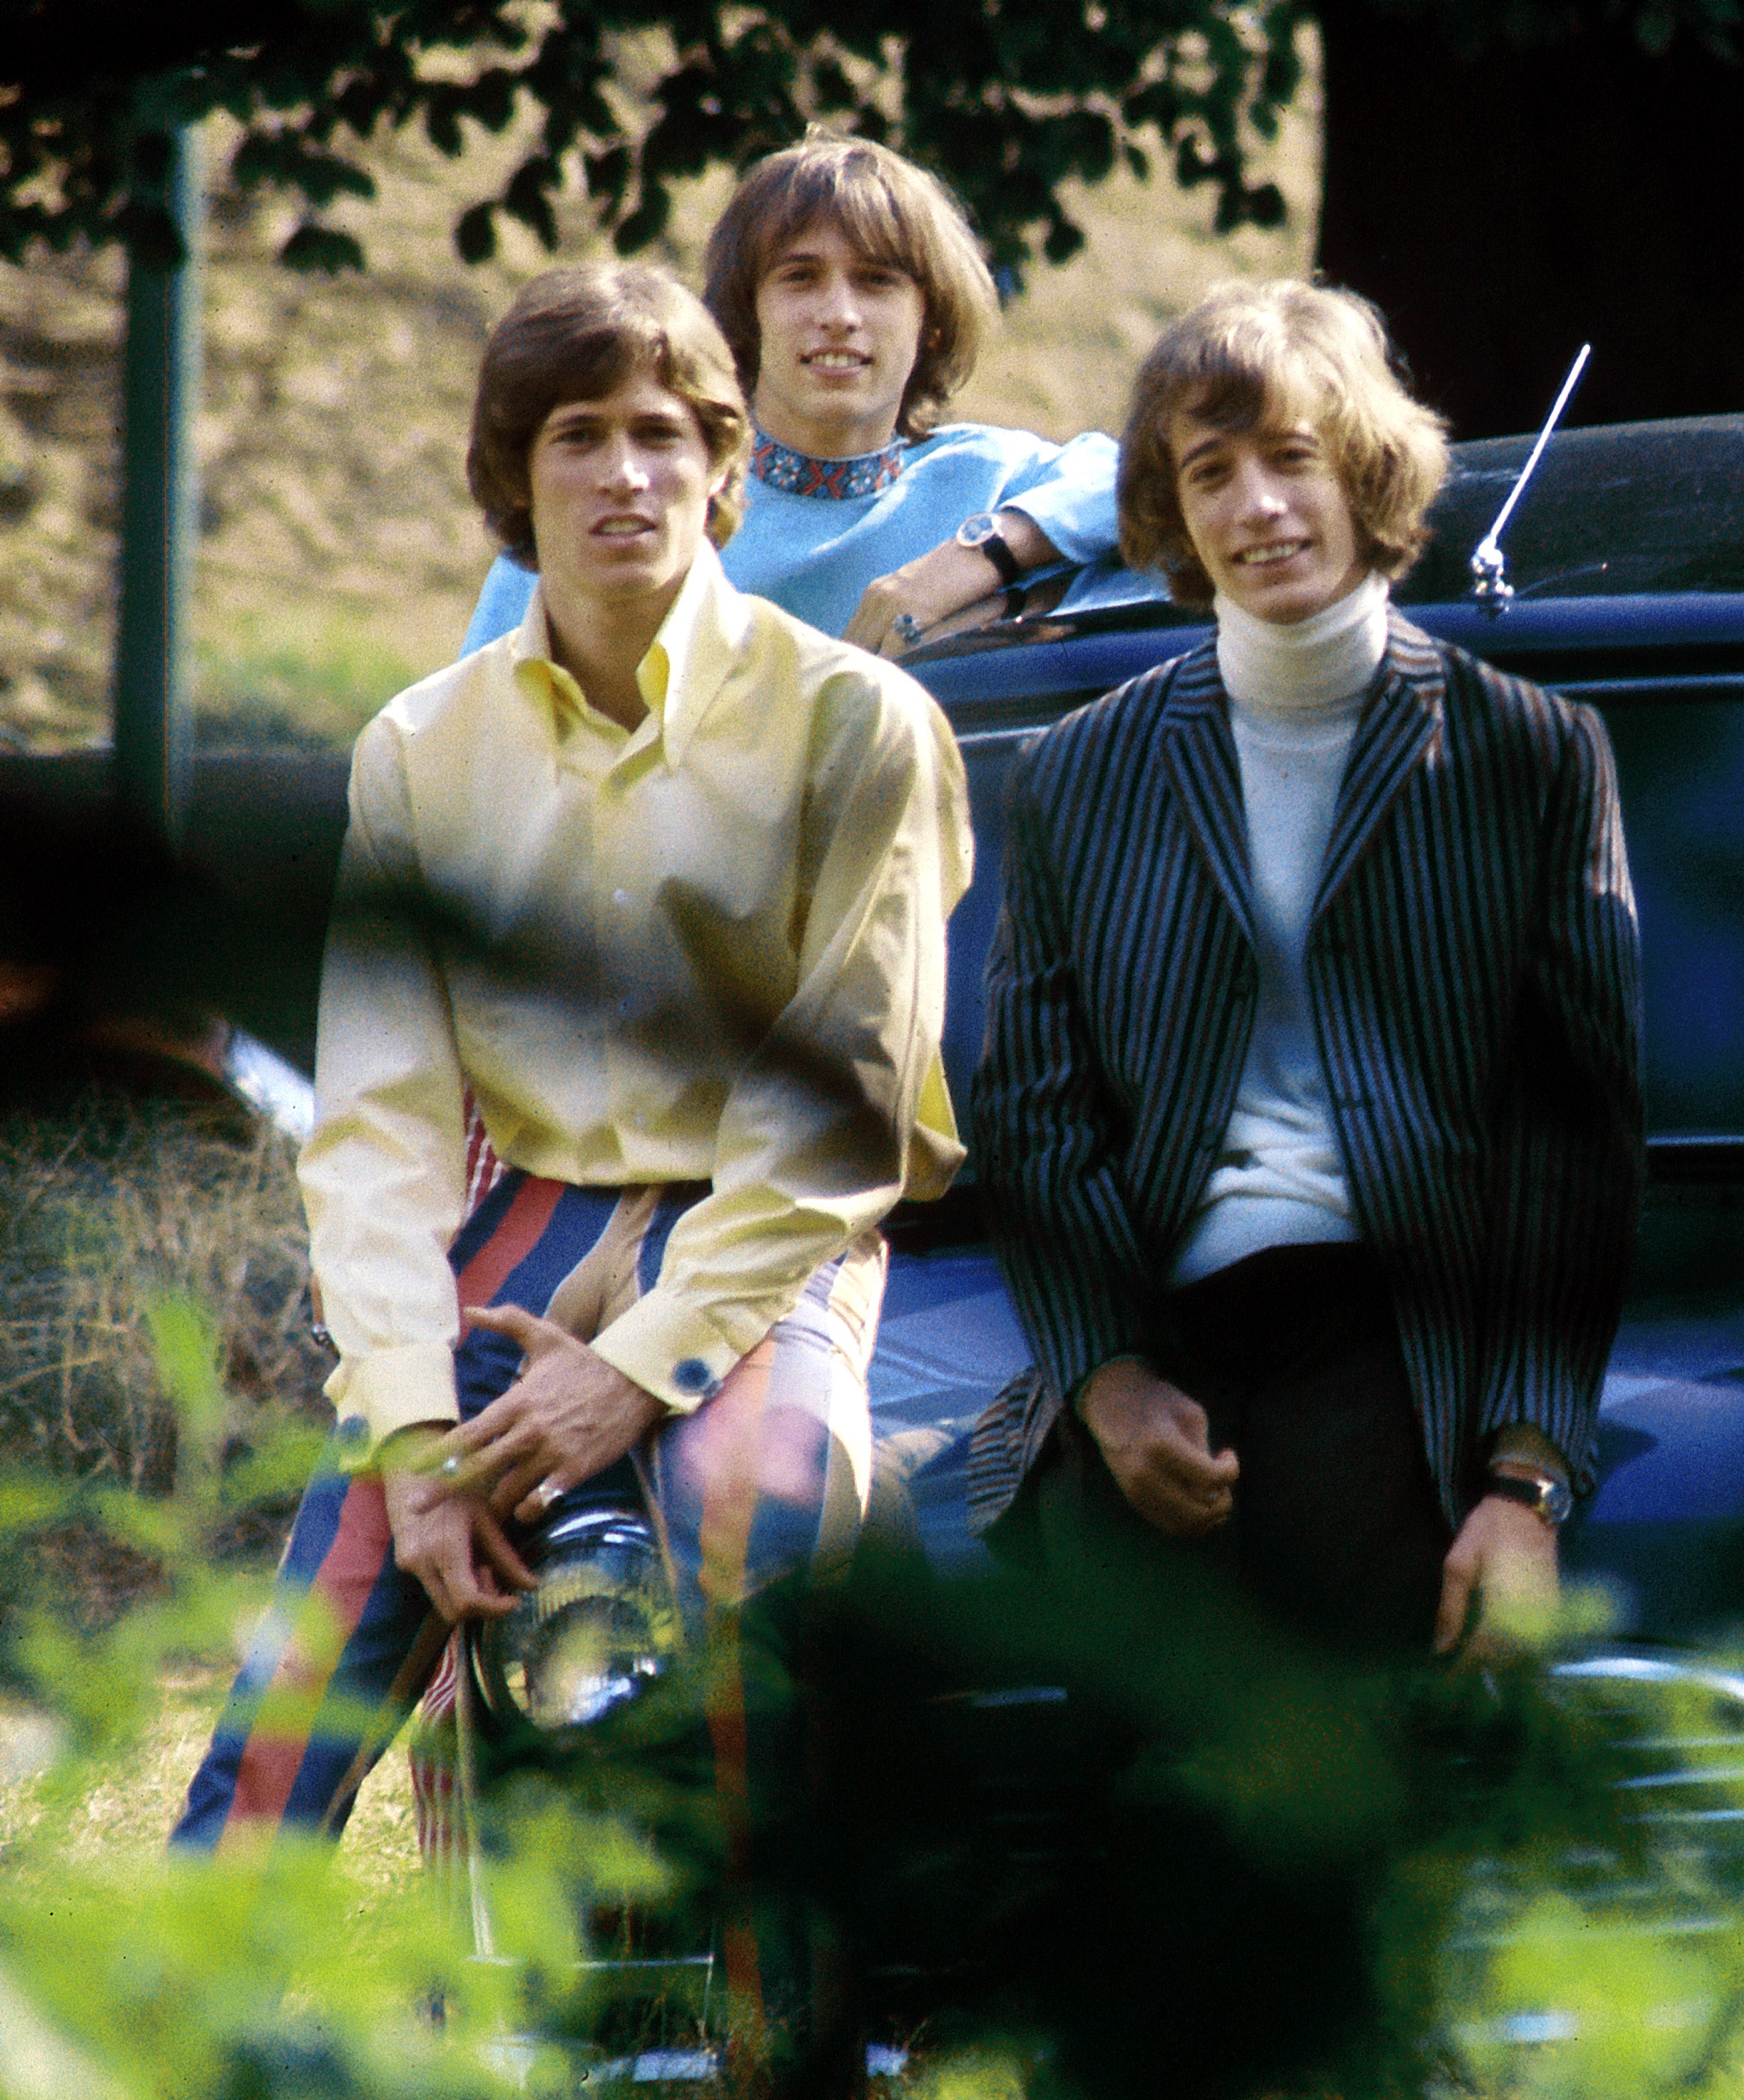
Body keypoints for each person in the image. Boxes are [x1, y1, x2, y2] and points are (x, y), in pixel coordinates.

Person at [172, 259, 970, 2005]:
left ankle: (791, 2036)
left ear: (723, 465)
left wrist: (641, 1367)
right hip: (520, 1213)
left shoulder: (859, 724)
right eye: (577, 437)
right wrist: (405, 1432)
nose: (626, 475)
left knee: (751, 1512)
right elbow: (374, 1129)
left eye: (666, 436)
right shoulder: (416, 749)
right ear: (511, 480)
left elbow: (841, 1109)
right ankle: (159, 2048)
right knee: (319, 1650)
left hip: (769, 1207)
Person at [965, 275, 1642, 1666]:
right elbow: (1033, 1109)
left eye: (1294, 458)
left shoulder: (1532, 754)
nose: (1260, 507)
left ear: (1367, 471)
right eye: (1212, 472)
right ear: (1172, 507)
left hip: (1399, 1326)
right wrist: (1105, 1381)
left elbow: (1571, 1142)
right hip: (1157, 1324)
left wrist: (1524, 1478)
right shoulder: (1081, 771)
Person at [461, 131, 1120, 657]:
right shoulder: (645, 497)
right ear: (746, 316)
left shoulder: (990, 481)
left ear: (933, 321)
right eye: (800, 278)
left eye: (876, 281)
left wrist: (984, 559)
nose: (838, 313)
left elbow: (1160, 487)